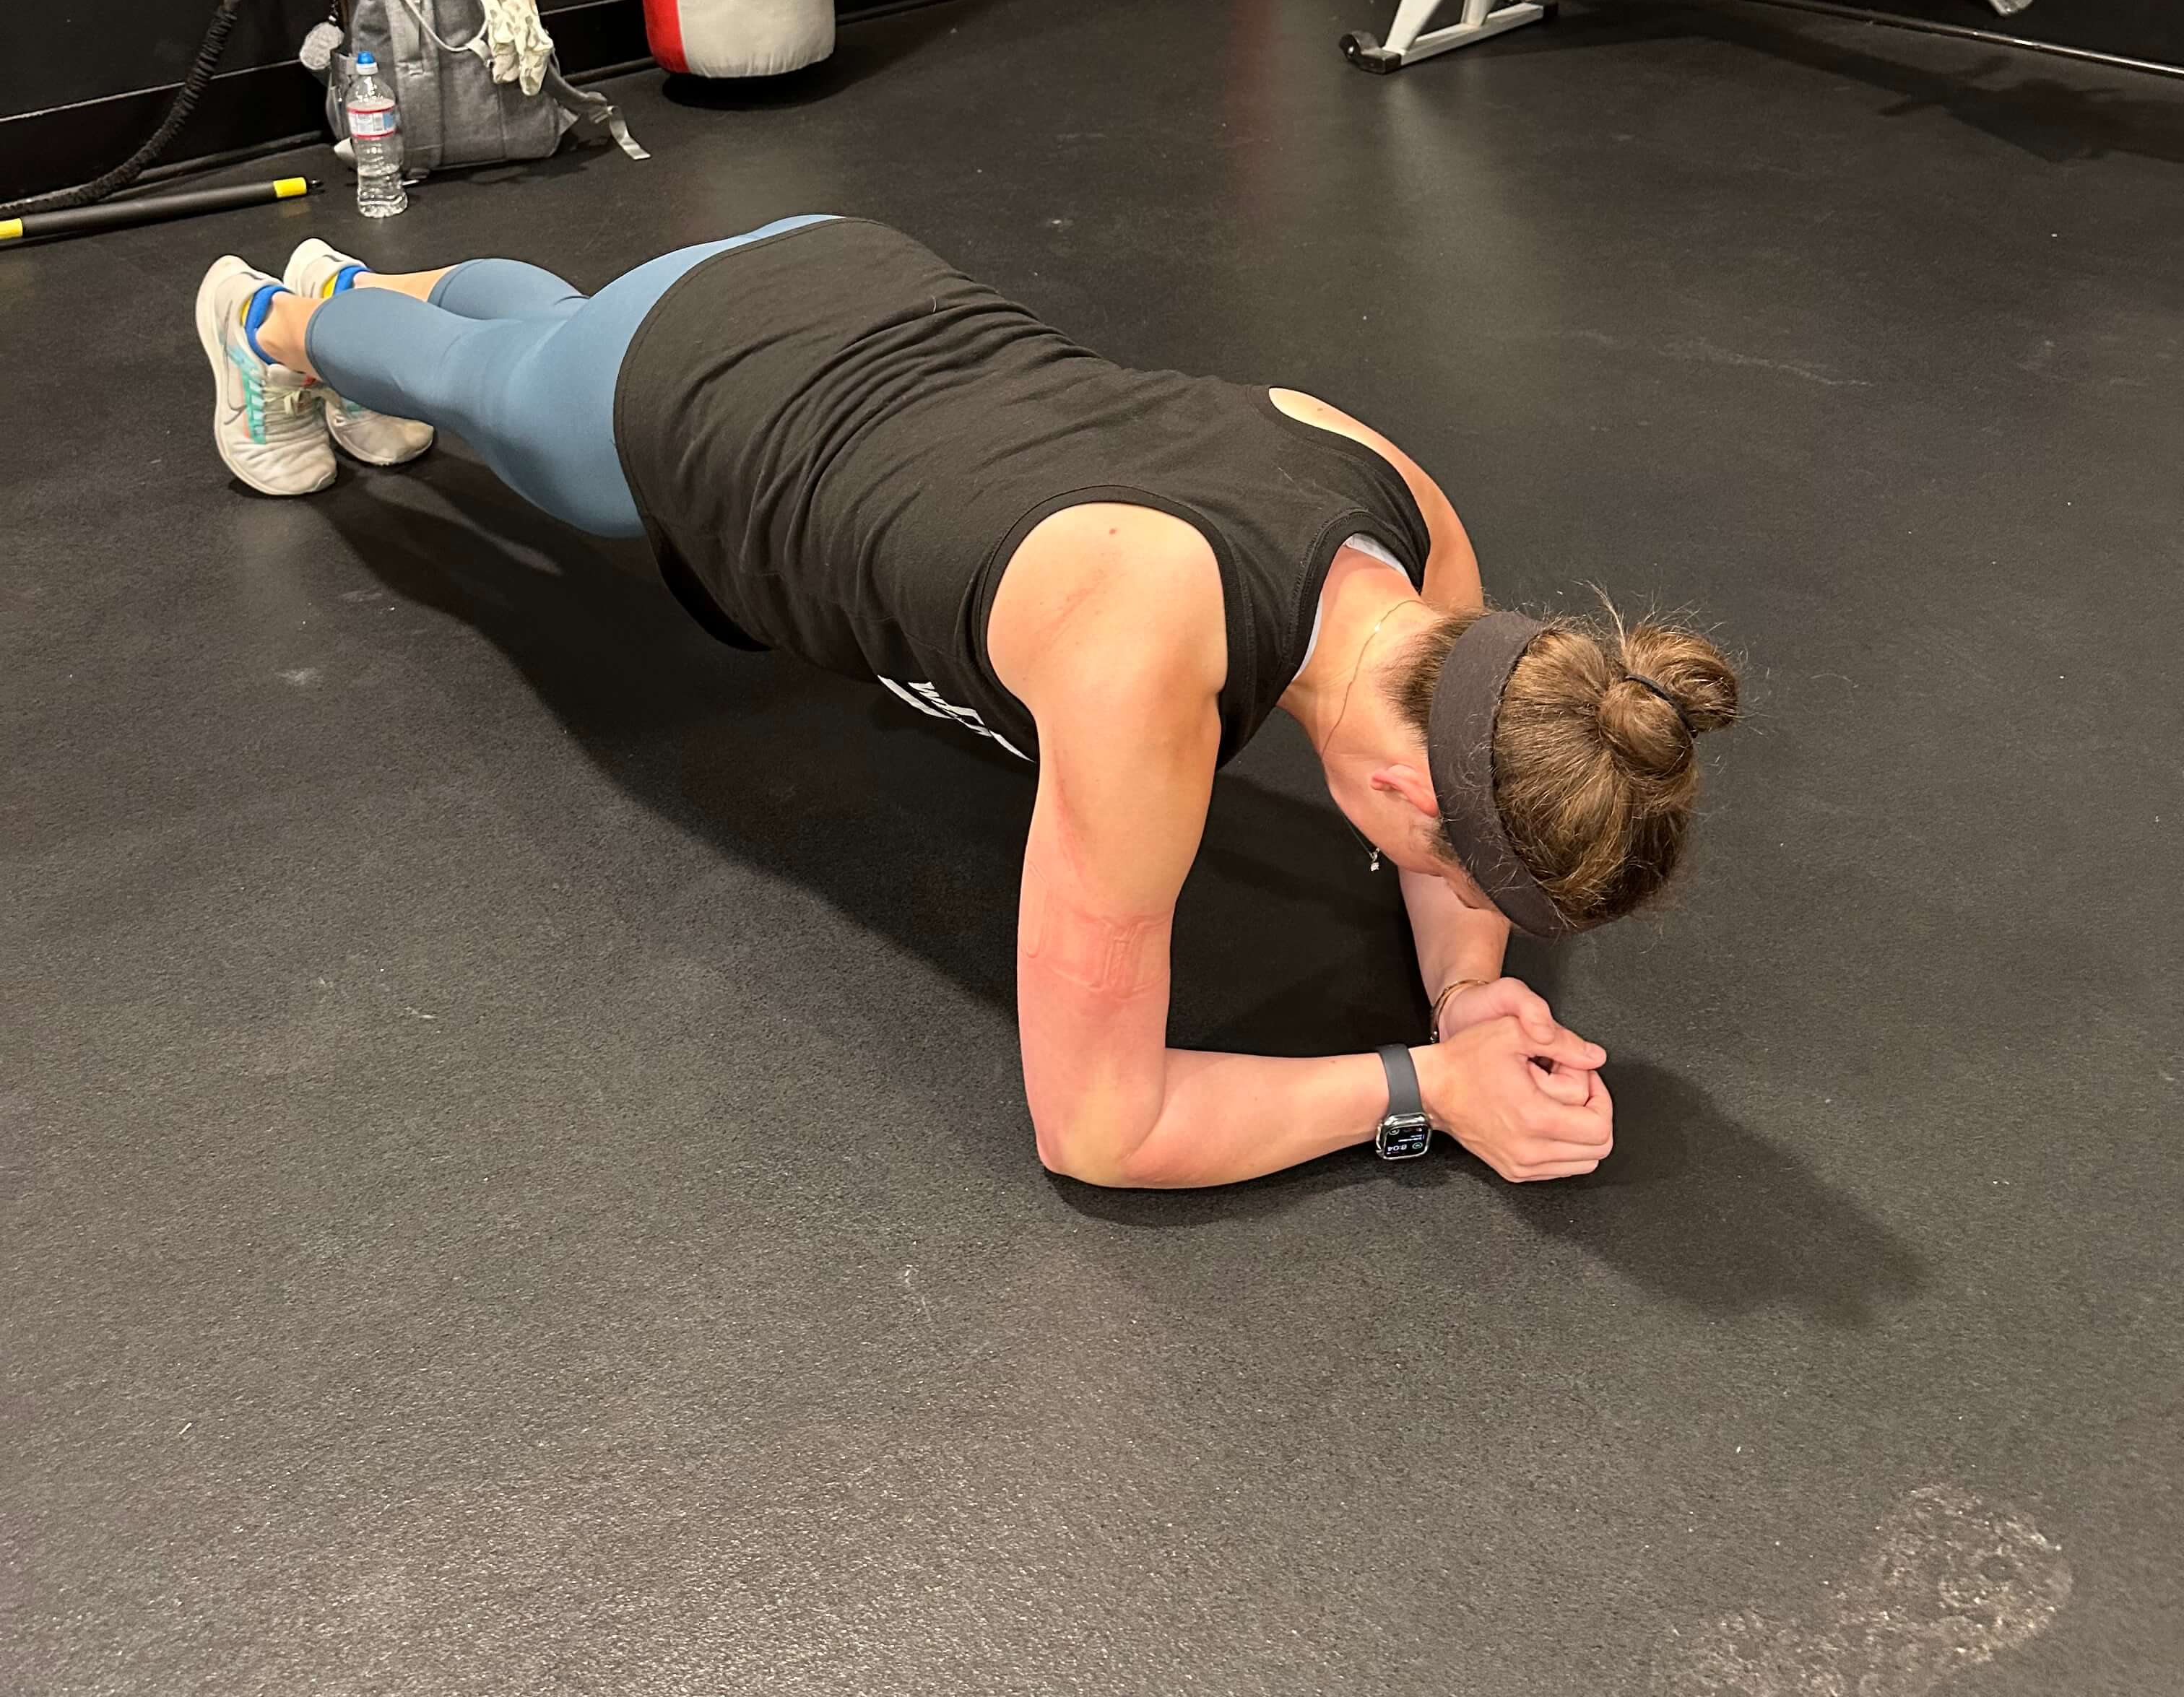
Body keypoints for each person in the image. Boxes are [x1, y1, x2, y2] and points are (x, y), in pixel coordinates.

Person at [194, 214, 1737, 1192]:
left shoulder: (1405, 515)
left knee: (553, 349)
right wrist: (1427, 1090)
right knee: (516, 417)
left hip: (847, 272)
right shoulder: (1146, 671)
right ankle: (270, 319)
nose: (1456, 903)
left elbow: (1445, 819)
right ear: (1408, 800)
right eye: (1466, 884)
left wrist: (1469, 994)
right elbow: (1101, 1130)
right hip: (718, 399)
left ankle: (360, 289)